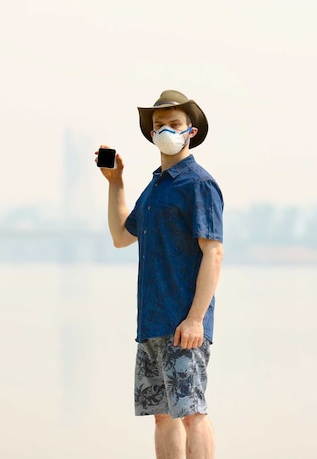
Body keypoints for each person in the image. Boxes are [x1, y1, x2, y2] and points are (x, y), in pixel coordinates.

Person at [96, 89, 224, 459]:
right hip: (152, 321)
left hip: (184, 322)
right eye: (159, 125)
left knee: (192, 412)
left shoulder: (198, 184)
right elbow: (122, 236)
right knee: (163, 416)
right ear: (151, 134)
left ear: (191, 131)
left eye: (174, 124)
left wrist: (196, 319)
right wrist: (116, 183)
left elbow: (213, 252)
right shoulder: (154, 187)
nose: (165, 130)